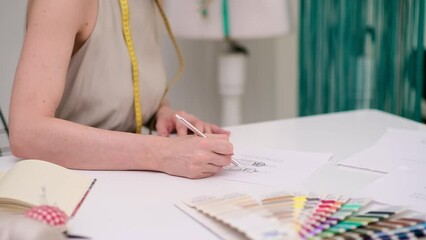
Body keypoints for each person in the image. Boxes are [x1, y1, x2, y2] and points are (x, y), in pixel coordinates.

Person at [8, 0, 234, 179]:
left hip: (127, 183)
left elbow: (119, 80)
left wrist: (161, 113)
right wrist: (163, 152)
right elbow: (27, 133)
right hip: (69, 184)